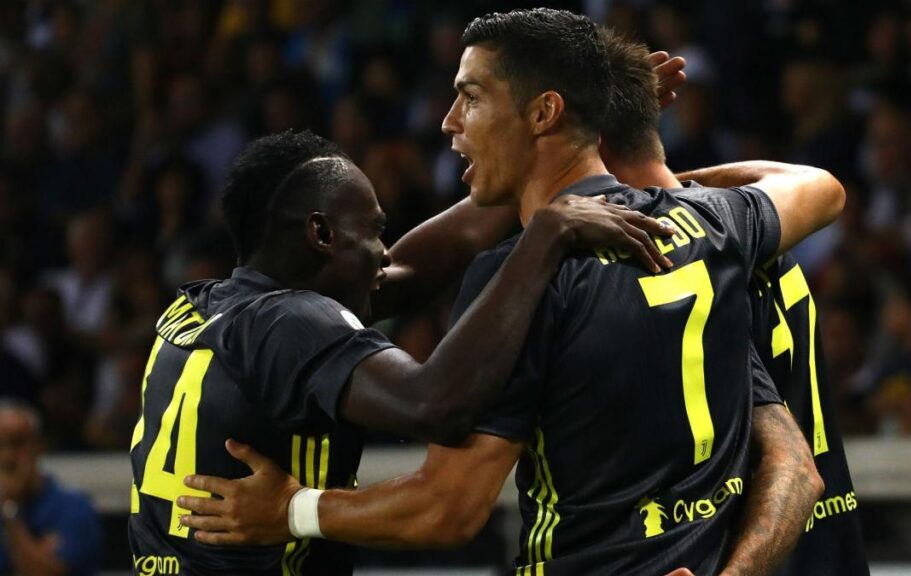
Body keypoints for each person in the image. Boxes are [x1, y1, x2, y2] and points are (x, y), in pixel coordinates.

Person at [179, 9, 839, 575]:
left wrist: (292, 510)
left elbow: (447, 508)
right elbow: (819, 189)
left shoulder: (522, 277)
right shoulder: (714, 227)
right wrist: (652, 181)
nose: (449, 122)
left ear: (544, 111)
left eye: (470, 97)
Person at [128, 129, 673, 575]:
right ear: (321, 234)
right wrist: (546, 235)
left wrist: (563, 146)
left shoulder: (204, 308)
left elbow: (436, 256)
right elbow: (434, 404)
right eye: (374, 231)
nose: (385, 253)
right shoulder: (293, 321)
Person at [597, 29, 870, 576]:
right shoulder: (745, 223)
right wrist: (682, 187)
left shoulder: (655, 260)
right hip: (833, 544)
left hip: (747, 548)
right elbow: (810, 183)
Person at [0, 399, 102, 576]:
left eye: (17, 443)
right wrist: (37, 549)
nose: (8, 457)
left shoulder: (74, 509)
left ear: (38, 446)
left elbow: (42, 572)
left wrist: (9, 510)